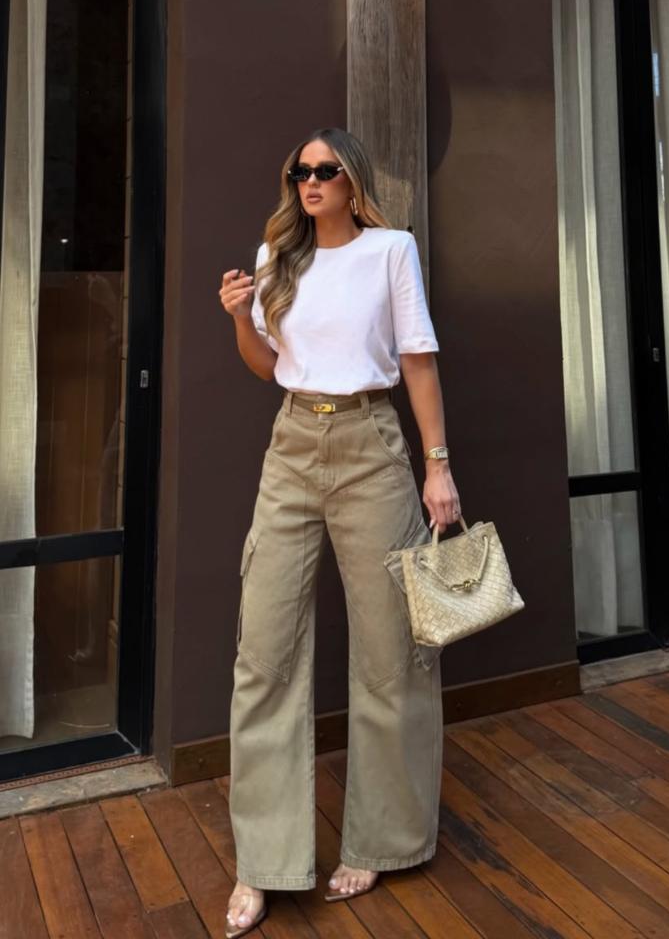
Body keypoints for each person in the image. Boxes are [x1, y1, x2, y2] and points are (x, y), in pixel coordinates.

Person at [218, 127, 460, 938]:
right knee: (264, 652)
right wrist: (241, 319)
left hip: (370, 443)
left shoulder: (390, 251)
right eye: (300, 170)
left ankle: (383, 839)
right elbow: (266, 366)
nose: (310, 180)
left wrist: (436, 465)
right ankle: (262, 861)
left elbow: (417, 358)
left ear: (351, 180)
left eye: (324, 169)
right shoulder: (275, 257)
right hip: (292, 442)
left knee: (392, 652)